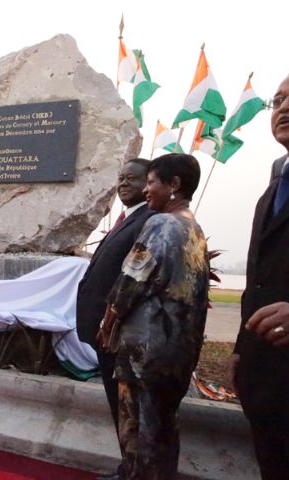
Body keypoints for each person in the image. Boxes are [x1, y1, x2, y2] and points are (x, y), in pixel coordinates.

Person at [98, 153, 209, 479]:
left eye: (151, 182)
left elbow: (132, 278)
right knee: (163, 429)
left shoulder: (161, 223)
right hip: (177, 352)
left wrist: (109, 321)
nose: (146, 190)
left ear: (173, 185)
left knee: (137, 431)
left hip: (144, 353)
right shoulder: (194, 229)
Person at [228, 72, 289, 478]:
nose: (285, 107)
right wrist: (240, 347)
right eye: (278, 100)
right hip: (266, 378)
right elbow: (257, 281)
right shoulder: (272, 189)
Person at [76, 158, 154, 480]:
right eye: (120, 178)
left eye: (132, 179)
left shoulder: (149, 221)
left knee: (129, 410)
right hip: (105, 333)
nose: (123, 184)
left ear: (149, 183)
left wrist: (110, 322)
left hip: (118, 333)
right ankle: (128, 468)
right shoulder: (127, 219)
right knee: (118, 407)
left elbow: (134, 279)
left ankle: (133, 472)